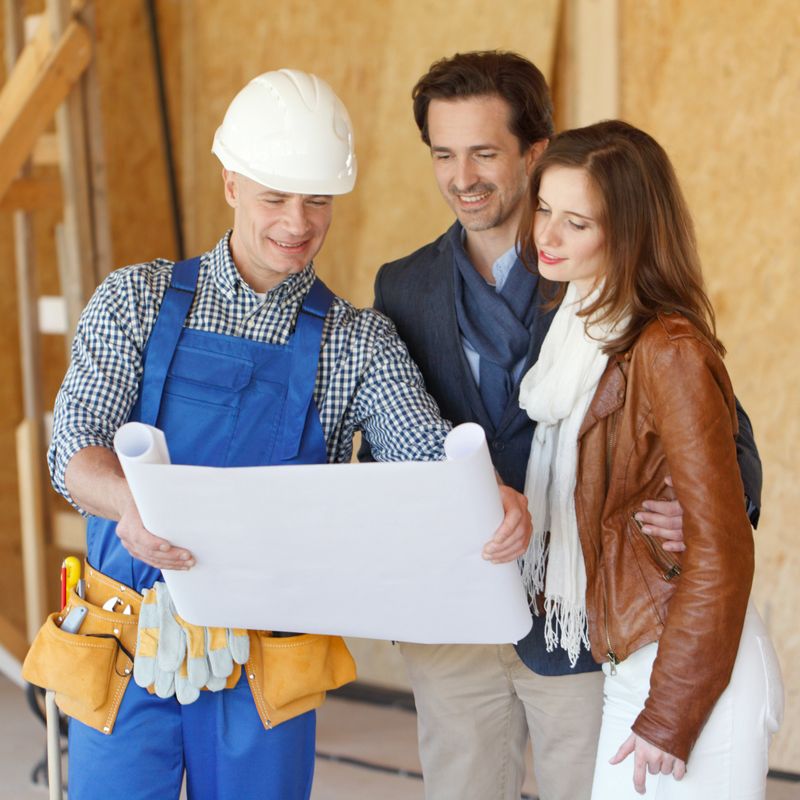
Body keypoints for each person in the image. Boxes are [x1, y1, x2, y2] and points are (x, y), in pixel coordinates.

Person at [39, 69, 531, 800]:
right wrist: (124, 502)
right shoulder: (134, 300)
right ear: (232, 183)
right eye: (275, 197)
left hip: (264, 665)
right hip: (126, 644)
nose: (297, 223)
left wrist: (485, 497)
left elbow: (423, 452)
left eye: (317, 201)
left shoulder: (357, 343)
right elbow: (72, 445)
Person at [360, 51, 763, 800]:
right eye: (443, 154)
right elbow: (387, 444)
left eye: (484, 151)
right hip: (454, 616)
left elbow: (724, 437)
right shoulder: (402, 285)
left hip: (577, 622)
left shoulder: (605, 278)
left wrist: (711, 509)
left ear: (535, 151)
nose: (462, 176)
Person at [517, 118, 783, 798]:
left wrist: (672, 712)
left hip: (688, 668)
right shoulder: (577, 332)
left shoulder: (667, 350)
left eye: (576, 223)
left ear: (628, 232)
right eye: (545, 208)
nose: (546, 235)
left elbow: (723, 548)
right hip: (634, 656)